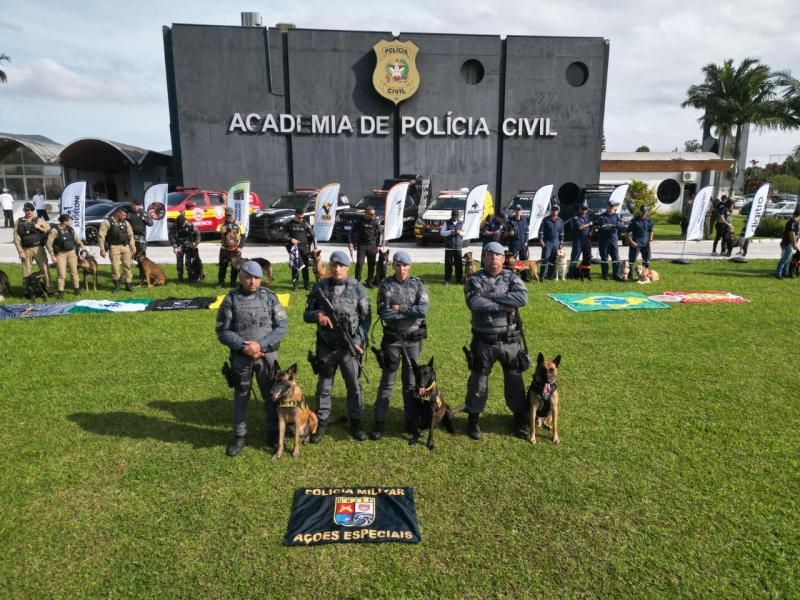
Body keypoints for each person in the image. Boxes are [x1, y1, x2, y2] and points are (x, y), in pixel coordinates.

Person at [215, 260, 288, 456]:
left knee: (271, 395)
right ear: (241, 277)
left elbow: (281, 326)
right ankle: (239, 436)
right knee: (241, 396)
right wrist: (243, 346)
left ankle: (273, 433)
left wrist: (260, 345)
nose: (253, 282)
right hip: (241, 356)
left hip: (267, 355)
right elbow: (222, 331)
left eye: (256, 278)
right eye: (248, 277)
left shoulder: (270, 298)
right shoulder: (231, 299)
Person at [463, 242, 529, 440]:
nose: (494, 258)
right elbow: (474, 302)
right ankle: (473, 418)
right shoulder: (474, 279)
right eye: (489, 255)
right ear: (483, 258)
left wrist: (492, 296)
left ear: (503, 258)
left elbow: (522, 298)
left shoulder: (512, 277)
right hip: (484, 340)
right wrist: (502, 306)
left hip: (510, 340)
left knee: (515, 381)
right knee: (478, 382)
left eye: (497, 255)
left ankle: (520, 418)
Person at [304, 251, 371, 442]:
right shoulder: (321, 287)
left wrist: (357, 341)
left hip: (349, 347)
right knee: (324, 387)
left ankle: (356, 423)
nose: (337, 269)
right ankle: (321, 424)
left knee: (354, 386)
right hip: (327, 346)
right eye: (334, 265)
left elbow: (366, 318)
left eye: (341, 265)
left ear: (348, 268)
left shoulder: (358, 288)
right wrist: (318, 315)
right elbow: (306, 314)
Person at [372, 251, 430, 441]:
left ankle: (410, 421)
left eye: (405, 265)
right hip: (393, 340)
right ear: (393, 266)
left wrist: (399, 308)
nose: (401, 269)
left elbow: (423, 310)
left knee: (410, 382)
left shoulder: (418, 284)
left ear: (410, 266)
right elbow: (384, 313)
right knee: (387, 382)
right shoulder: (386, 285)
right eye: (398, 265)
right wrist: (407, 313)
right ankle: (379, 422)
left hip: (413, 340)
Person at [45, 214, 85, 298]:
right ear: (64, 221)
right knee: (62, 274)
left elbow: (76, 239)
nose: (71, 222)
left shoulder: (70, 229)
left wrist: (82, 246)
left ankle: (77, 290)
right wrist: (52, 255)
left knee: (74, 273)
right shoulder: (54, 230)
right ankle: (61, 292)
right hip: (60, 255)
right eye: (69, 220)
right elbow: (48, 244)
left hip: (71, 253)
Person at [98, 207, 136, 293]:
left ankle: (128, 284)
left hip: (125, 246)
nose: (125, 217)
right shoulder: (107, 222)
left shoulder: (126, 223)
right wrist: (102, 249)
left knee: (127, 265)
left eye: (125, 215)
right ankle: (117, 286)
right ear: (118, 214)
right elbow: (101, 236)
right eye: (123, 215)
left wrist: (133, 247)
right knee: (115, 267)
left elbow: (131, 235)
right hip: (114, 247)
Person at [13, 202, 51, 288]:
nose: (29, 212)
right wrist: (20, 251)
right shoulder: (18, 222)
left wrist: (39, 227)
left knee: (44, 268)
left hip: (38, 248)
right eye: (27, 210)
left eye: (31, 210)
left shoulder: (39, 220)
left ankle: (48, 287)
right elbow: (16, 238)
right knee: (26, 270)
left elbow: (49, 230)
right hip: (25, 249)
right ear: (24, 210)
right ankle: (28, 289)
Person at [348, 206, 382, 287]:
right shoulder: (359, 221)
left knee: (371, 265)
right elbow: (351, 232)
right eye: (371, 214)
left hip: (372, 246)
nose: (373, 216)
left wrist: (379, 245)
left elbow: (380, 233)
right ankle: (357, 281)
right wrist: (350, 243)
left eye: (374, 214)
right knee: (359, 264)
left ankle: (369, 282)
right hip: (362, 245)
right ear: (366, 214)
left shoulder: (375, 221)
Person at [284, 207, 316, 291]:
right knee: (295, 267)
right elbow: (284, 236)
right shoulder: (289, 224)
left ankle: (306, 284)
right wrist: (291, 239)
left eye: (302, 217)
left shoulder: (305, 223)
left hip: (304, 248)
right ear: (295, 215)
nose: (301, 219)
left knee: (305, 267)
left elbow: (313, 235)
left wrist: (315, 247)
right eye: (299, 217)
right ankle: (295, 285)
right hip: (294, 248)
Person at [596, 198, 624, 281]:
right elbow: (603, 227)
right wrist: (615, 225)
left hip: (613, 240)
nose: (611, 207)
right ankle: (605, 275)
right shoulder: (601, 216)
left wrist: (611, 225)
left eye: (613, 206)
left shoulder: (616, 216)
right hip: (604, 241)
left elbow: (622, 226)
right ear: (607, 207)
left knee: (616, 258)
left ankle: (616, 275)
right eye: (610, 206)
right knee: (604, 258)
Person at [169, 212, 201, 283]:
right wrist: (174, 247)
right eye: (179, 225)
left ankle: (191, 278)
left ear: (185, 221)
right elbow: (171, 236)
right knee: (179, 263)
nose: (181, 226)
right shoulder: (175, 225)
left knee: (188, 262)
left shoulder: (190, 225)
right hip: (179, 246)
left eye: (182, 224)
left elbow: (198, 235)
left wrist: (195, 244)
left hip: (189, 245)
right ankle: (180, 279)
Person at [217, 207, 243, 288]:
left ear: (233, 215)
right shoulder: (222, 224)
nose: (228, 217)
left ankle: (233, 283)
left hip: (235, 249)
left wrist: (240, 247)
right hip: (224, 249)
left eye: (230, 215)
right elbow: (218, 231)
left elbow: (244, 235)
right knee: (222, 267)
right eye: (227, 215)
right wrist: (223, 231)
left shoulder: (239, 224)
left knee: (235, 267)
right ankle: (221, 283)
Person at [626, 205, 654, 279]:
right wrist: (631, 242)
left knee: (646, 259)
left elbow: (651, 231)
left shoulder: (649, 220)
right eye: (643, 212)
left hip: (646, 243)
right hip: (636, 243)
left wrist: (650, 240)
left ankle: (645, 275)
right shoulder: (634, 221)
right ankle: (630, 275)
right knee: (632, 260)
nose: (644, 213)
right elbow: (628, 233)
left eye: (645, 212)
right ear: (640, 212)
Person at [537, 203, 564, 280]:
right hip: (548, 242)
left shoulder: (560, 221)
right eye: (553, 210)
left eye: (556, 210)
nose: (554, 211)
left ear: (558, 211)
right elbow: (541, 231)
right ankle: (542, 276)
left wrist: (561, 242)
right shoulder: (545, 220)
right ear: (551, 210)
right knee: (545, 259)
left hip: (557, 242)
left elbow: (561, 232)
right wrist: (541, 240)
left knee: (553, 259)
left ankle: (550, 276)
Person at [440, 209, 464, 284]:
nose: (455, 218)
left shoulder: (462, 223)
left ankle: (459, 279)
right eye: (453, 216)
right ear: (451, 216)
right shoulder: (446, 222)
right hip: (449, 246)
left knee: (459, 264)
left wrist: (459, 232)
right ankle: (447, 279)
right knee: (448, 264)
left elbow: (465, 232)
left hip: (458, 246)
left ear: (458, 216)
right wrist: (450, 232)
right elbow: (442, 233)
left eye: (456, 216)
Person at [569, 203, 592, 278]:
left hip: (586, 240)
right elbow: (579, 227)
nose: (584, 210)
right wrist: (588, 224)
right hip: (578, 241)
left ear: (587, 210)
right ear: (580, 209)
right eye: (582, 209)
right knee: (575, 258)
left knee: (587, 258)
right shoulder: (576, 218)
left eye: (585, 209)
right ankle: (571, 274)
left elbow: (591, 227)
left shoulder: (589, 217)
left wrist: (591, 232)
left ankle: (585, 274)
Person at [776, 207, 800, 279]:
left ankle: (785, 272)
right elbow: (791, 233)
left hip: (786, 243)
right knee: (784, 259)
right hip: (787, 244)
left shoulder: (792, 222)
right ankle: (778, 273)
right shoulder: (793, 222)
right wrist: (794, 244)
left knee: (788, 259)